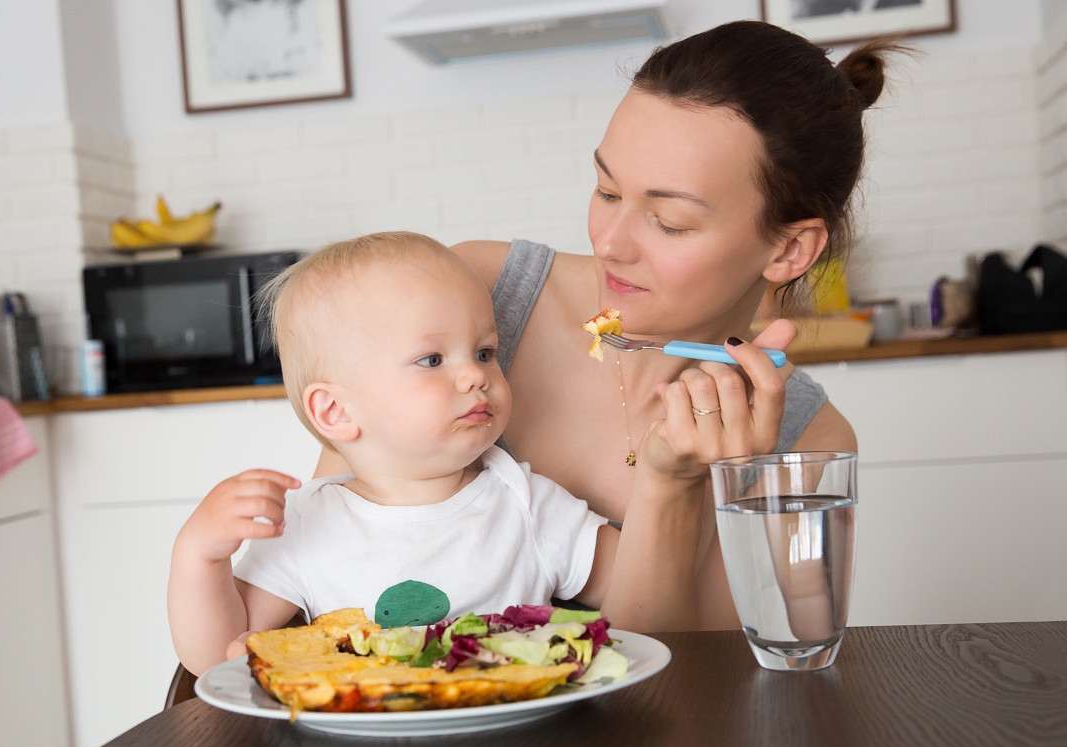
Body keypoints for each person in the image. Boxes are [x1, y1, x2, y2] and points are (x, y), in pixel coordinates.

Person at [319, 21, 897, 632]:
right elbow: (322, 562)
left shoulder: (802, 443)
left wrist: (676, 488)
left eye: (670, 222)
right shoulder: (475, 297)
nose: (610, 244)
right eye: (607, 191)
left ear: (789, 250)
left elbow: (697, 679)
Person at [169, 232, 664, 675]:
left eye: (485, 353)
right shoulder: (305, 525)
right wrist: (199, 554)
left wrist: (670, 479)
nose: (475, 376)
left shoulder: (526, 502)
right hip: (363, 739)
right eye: (432, 359)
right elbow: (218, 657)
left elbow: (642, 600)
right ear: (336, 411)